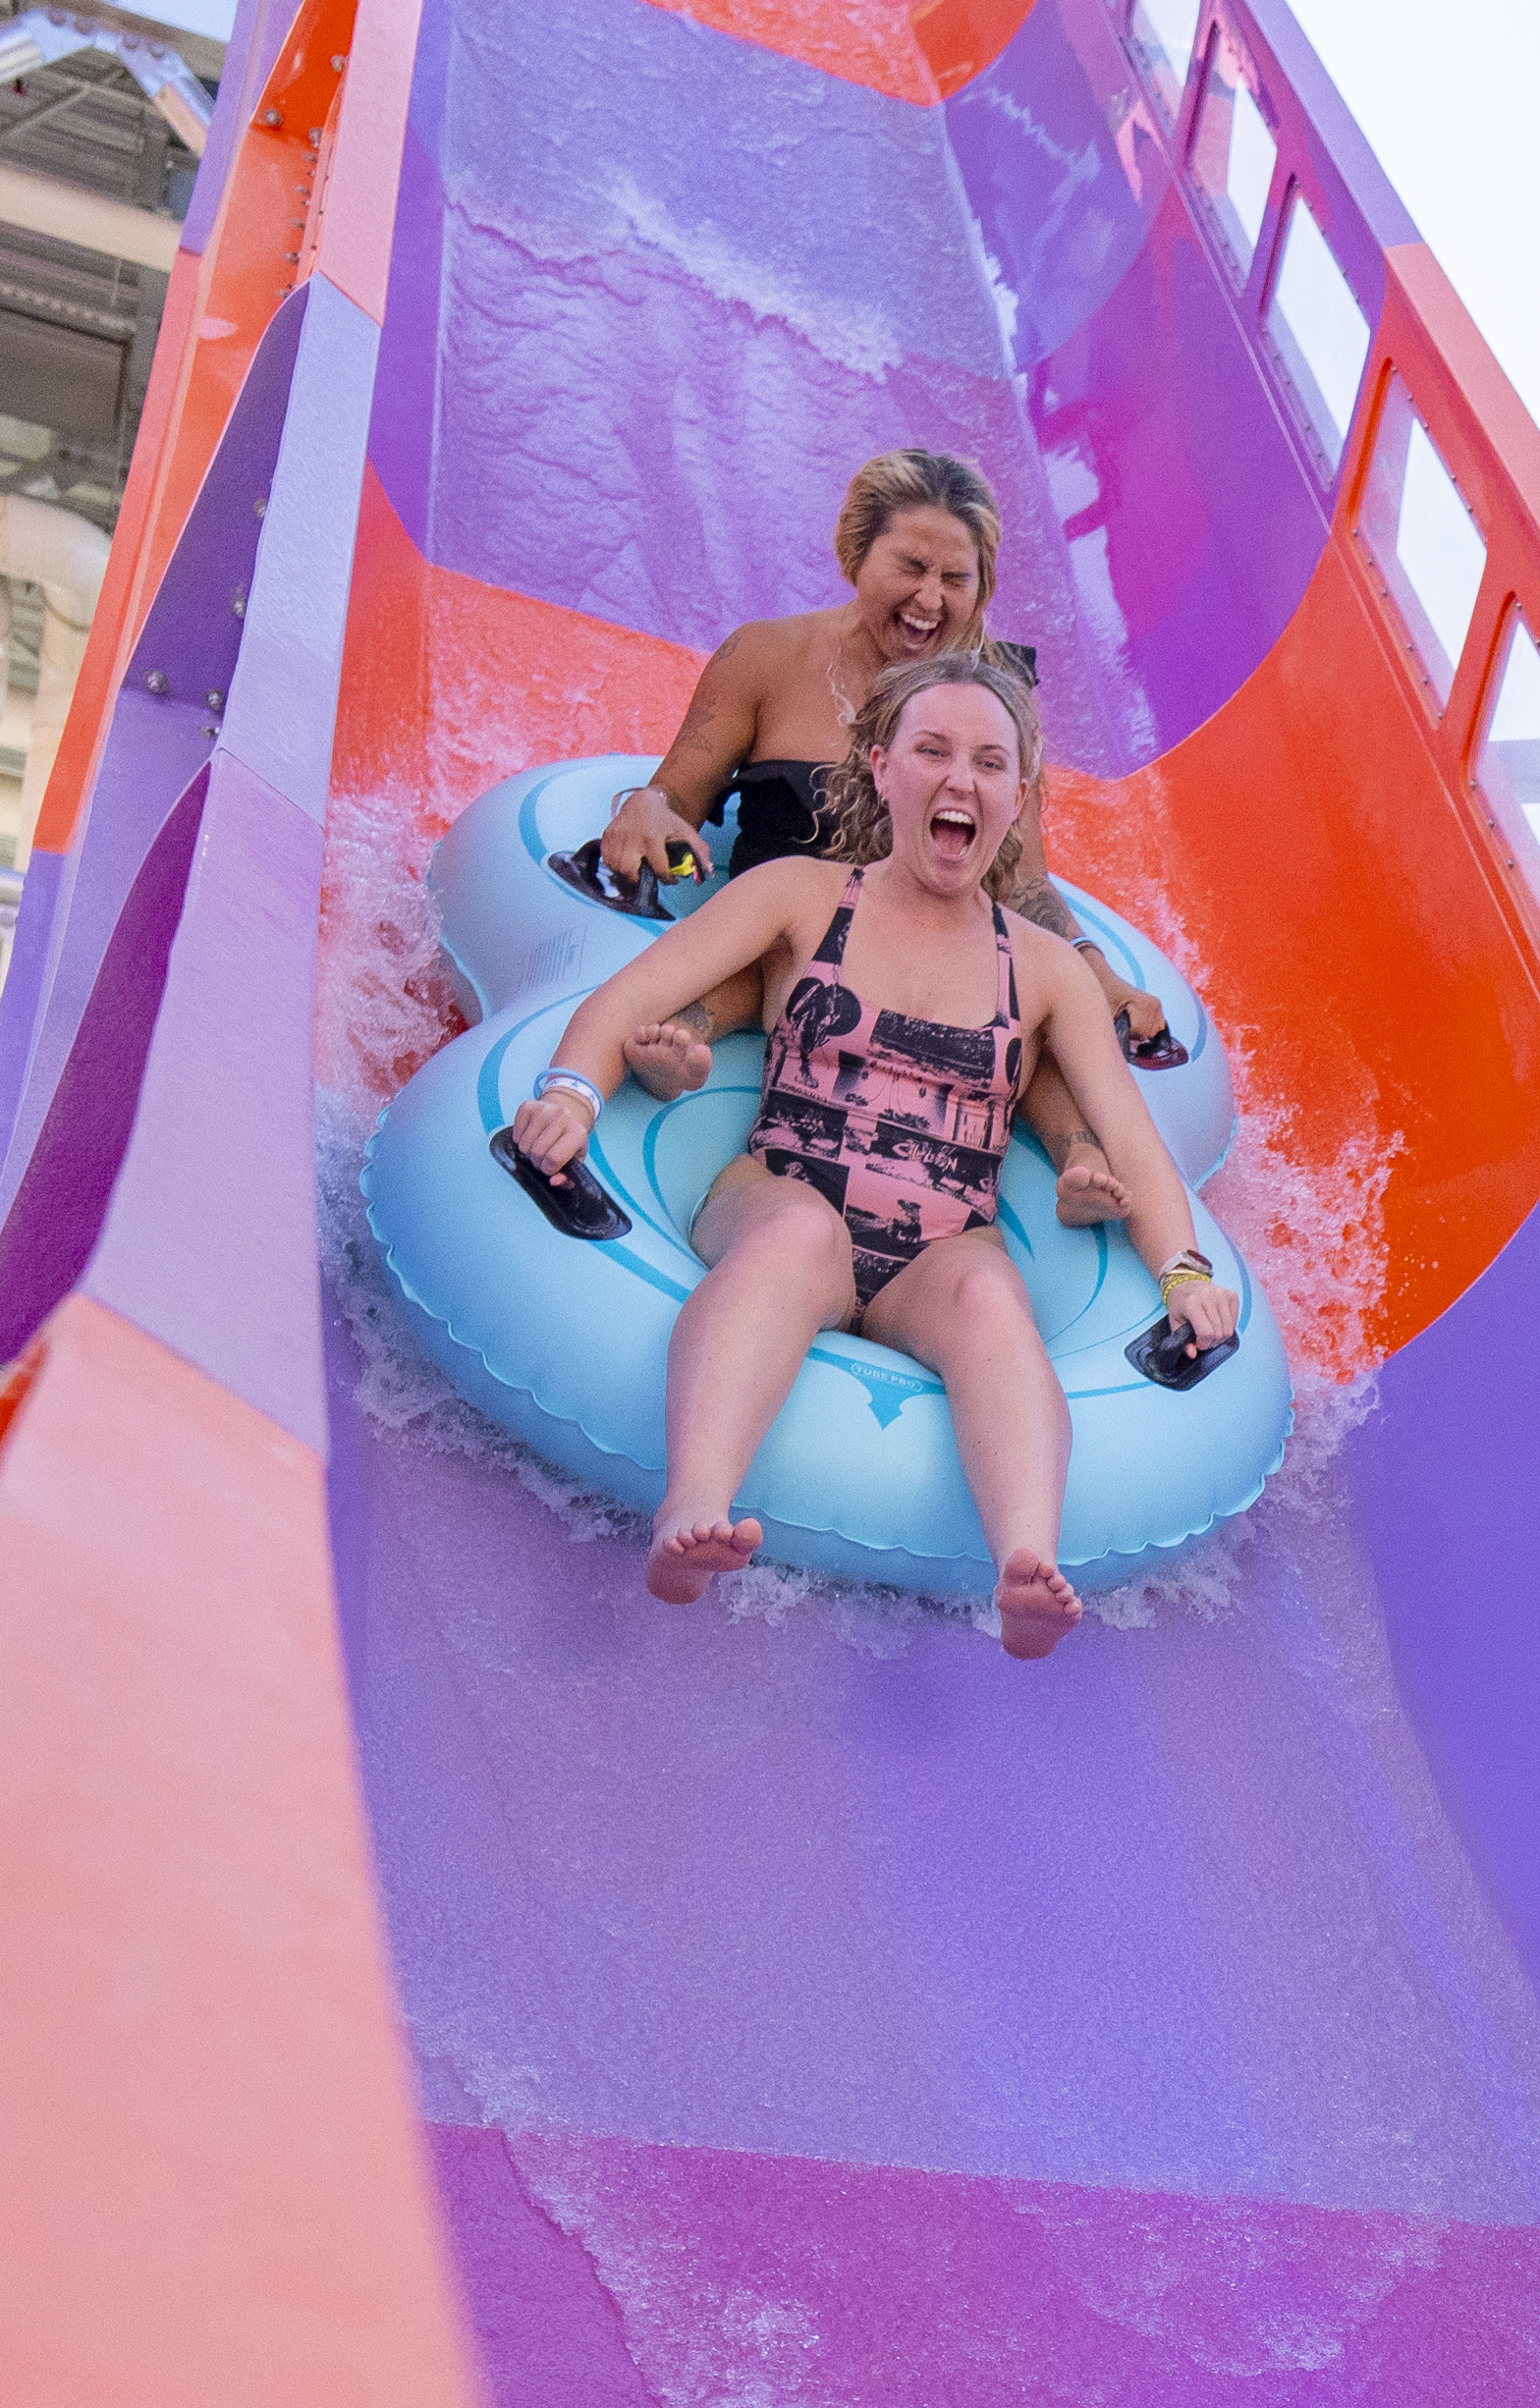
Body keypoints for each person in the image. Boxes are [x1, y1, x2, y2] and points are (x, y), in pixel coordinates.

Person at [509, 647, 1232, 1657]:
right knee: (799, 1235)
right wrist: (574, 1097)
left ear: (1015, 799)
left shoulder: (1049, 974)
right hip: (781, 1188)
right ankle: (694, 1505)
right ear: (881, 767)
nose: (957, 780)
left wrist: (1186, 1274)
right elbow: (625, 1001)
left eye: (987, 763)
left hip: (938, 1250)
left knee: (989, 1297)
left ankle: (1026, 1561)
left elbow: (1138, 1149)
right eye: (931, 750)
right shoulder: (803, 899)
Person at [593, 447, 1192, 1066]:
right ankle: (678, 1040)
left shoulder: (995, 707)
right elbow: (676, 796)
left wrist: (1094, 970)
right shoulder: (765, 660)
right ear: (857, 556)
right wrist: (648, 804)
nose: (929, 599)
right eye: (911, 567)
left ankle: (1085, 1157)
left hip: (931, 974)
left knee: (1042, 1032)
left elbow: (1020, 878)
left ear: (981, 588)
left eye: (955, 579)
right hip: (770, 949)